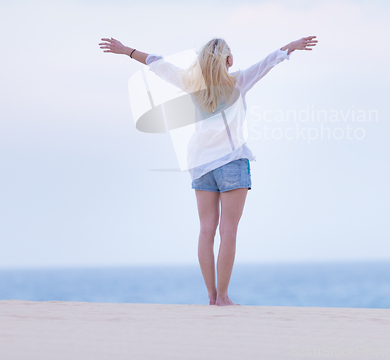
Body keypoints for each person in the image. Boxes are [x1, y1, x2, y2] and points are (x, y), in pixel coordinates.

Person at [99, 35, 318, 305]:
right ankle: (223, 297)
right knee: (228, 231)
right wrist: (290, 47)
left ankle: (212, 296)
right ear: (229, 60)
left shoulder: (191, 85)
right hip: (232, 163)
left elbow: (158, 63)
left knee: (206, 230)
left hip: (200, 165)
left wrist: (126, 51)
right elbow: (268, 63)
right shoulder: (239, 81)